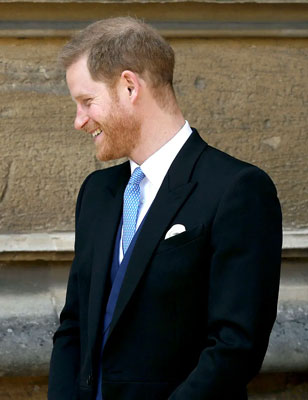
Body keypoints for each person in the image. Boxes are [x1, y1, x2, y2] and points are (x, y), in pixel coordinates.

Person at [48, 17, 282, 399]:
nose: (79, 121)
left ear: (129, 86)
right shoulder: (98, 192)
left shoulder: (237, 189)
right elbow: (73, 325)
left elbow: (236, 346)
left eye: (87, 102)